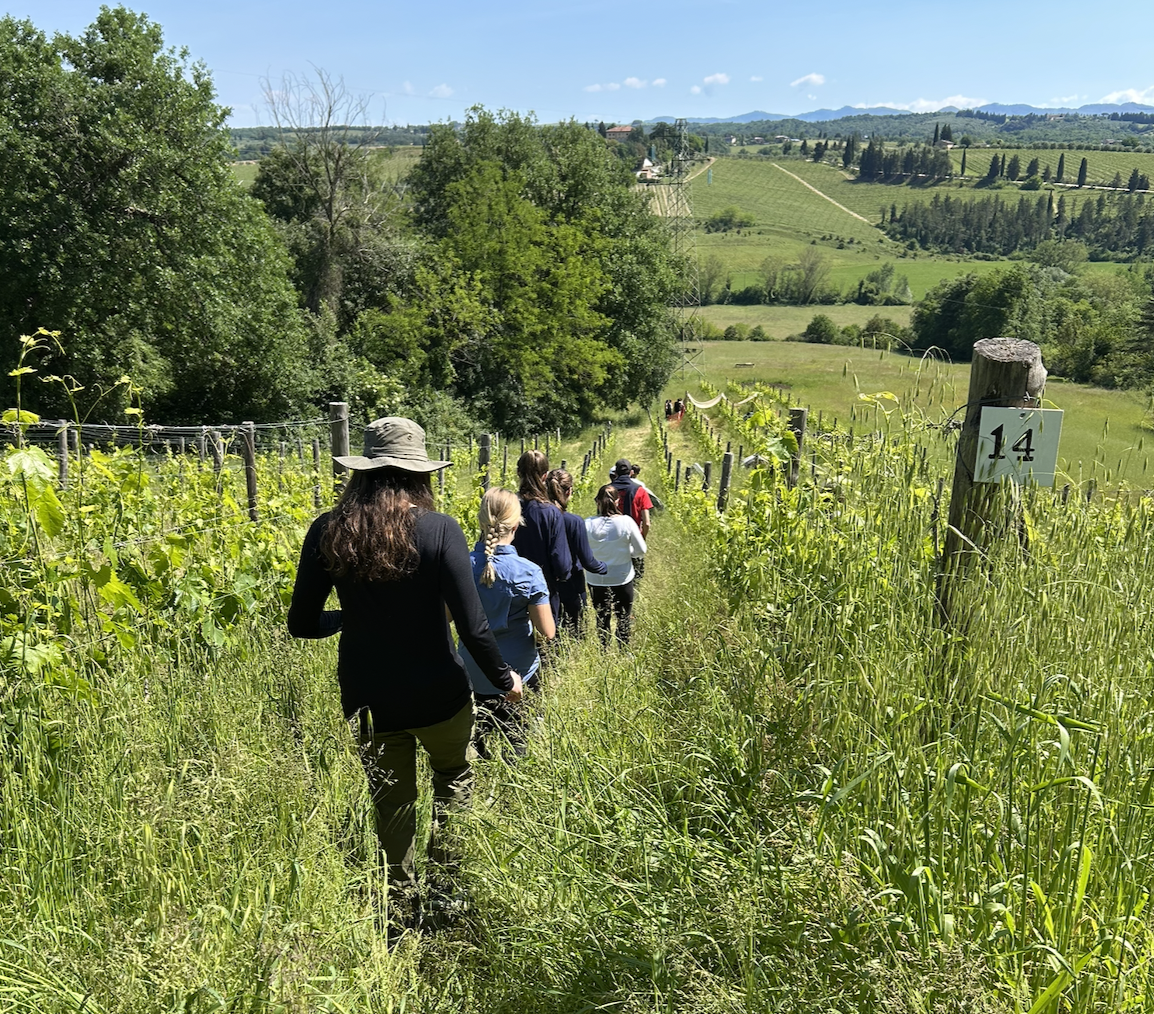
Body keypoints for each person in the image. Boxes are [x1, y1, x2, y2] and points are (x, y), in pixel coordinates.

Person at [287, 417, 522, 932]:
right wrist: (506, 679)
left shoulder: (328, 529)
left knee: (391, 800)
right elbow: (473, 625)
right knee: (454, 780)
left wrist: (351, 617)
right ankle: (447, 893)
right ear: (421, 475)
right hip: (439, 692)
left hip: (369, 697)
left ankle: (399, 907)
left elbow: (301, 624)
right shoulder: (439, 529)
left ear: (363, 471)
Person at [459, 488, 555, 759]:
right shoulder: (529, 571)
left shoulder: (461, 566)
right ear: (516, 524)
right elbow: (547, 631)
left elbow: (445, 617)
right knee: (517, 738)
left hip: (473, 667)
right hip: (519, 671)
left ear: (481, 521)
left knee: (478, 735)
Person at [512, 450, 572, 623]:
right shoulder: (550, 513)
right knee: (543, 643)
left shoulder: (507, 506)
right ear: (545, 476)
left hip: (508, 590)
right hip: (542, 591)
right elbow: (562, 563)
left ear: (518, 473)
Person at [584, 484, 647, 647]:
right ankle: (623, 650)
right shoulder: (627, 522)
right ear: (618, 501)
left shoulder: (587, 524)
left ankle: (603, 650)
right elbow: (641, 550)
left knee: (602, 617)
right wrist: (627, 553)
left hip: (596, 579)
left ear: (597, 501)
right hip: (622, 577)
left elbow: (582, 551)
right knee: (623, 617)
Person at [546, 467, 607, 635]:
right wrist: (604, 568)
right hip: (572, 584)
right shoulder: (574, 522)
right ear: (569, 491)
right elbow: (588, 561)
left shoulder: (539, 518)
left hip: (545, 582)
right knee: (575, 629)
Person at [610, 458, 653, 586]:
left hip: (612, 538)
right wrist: (641, 537)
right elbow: (646, 523)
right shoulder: (640, 491)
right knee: (636, 579)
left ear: (615, 474)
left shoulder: (607, 490)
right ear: (631, 472)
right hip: (633, 538)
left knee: (614, 576)